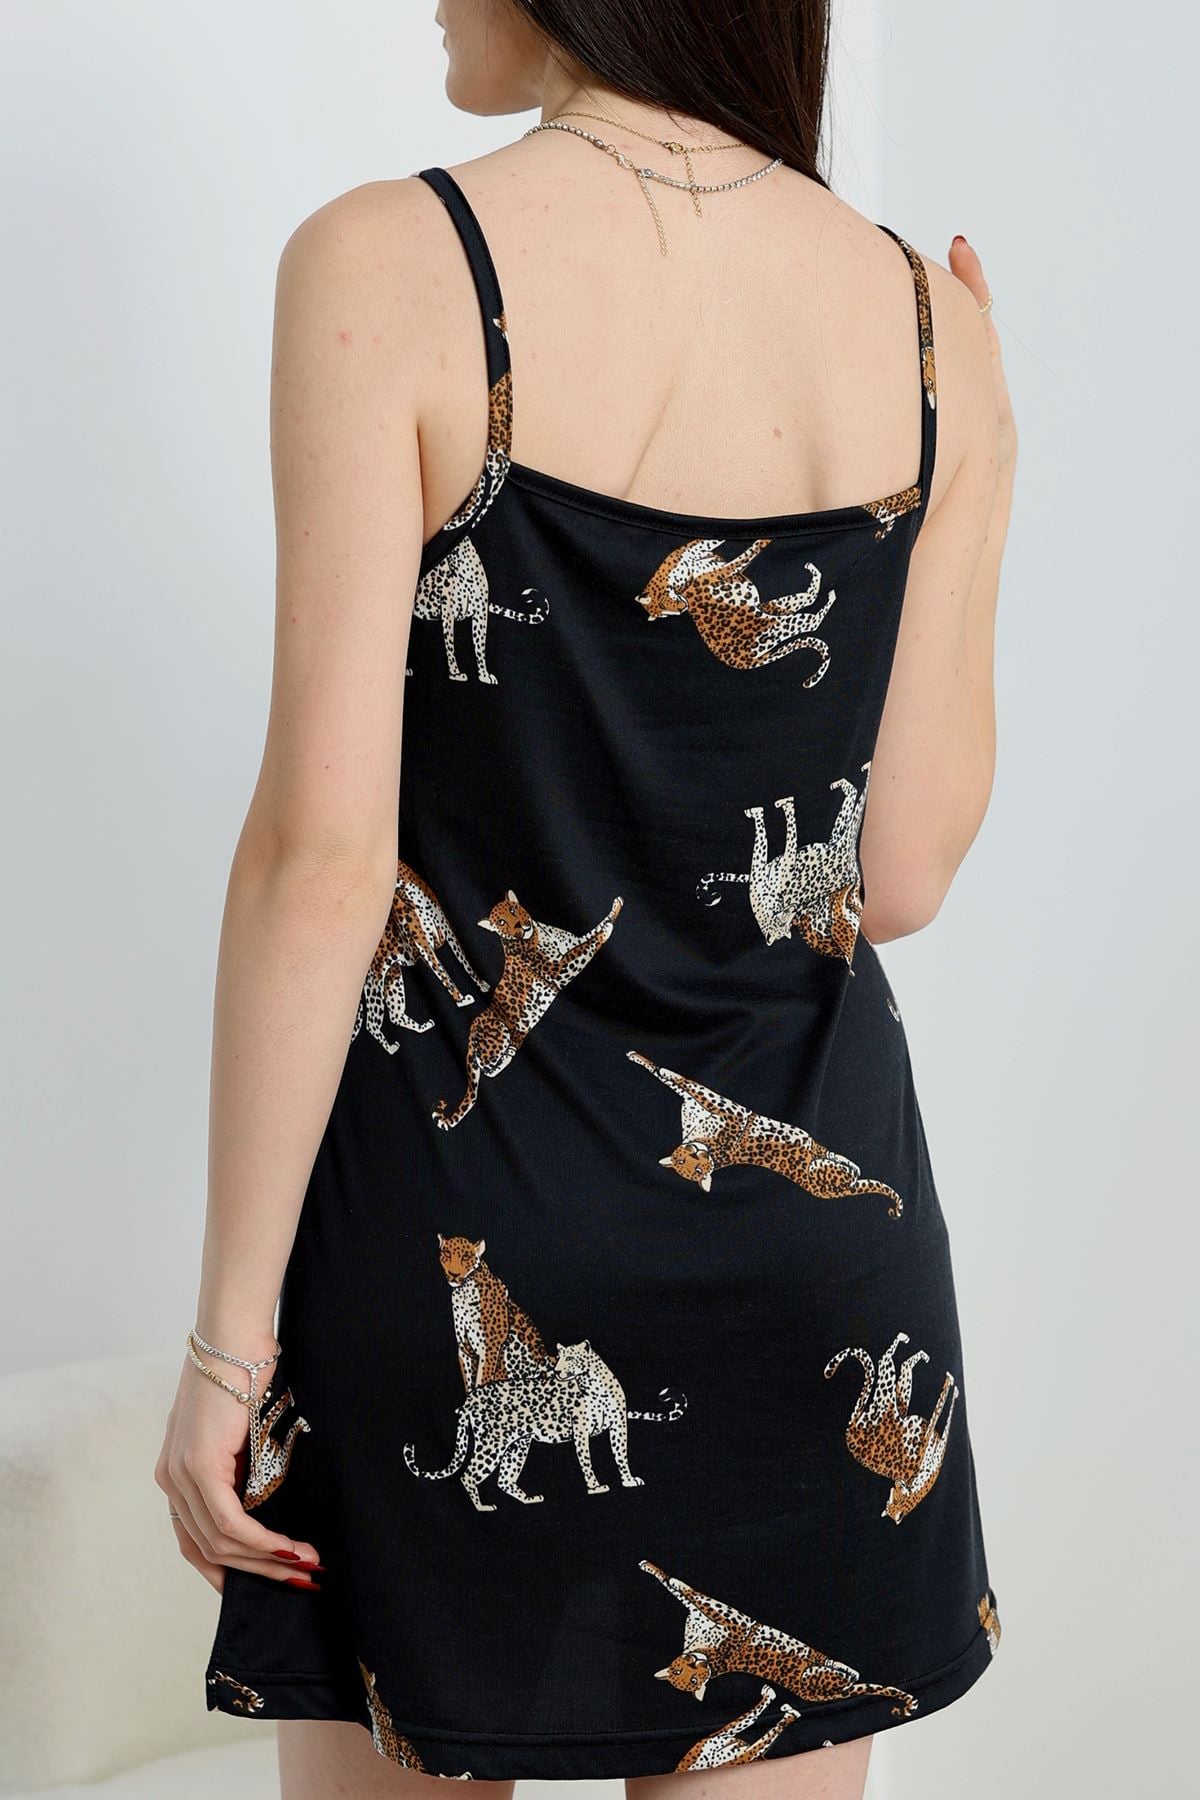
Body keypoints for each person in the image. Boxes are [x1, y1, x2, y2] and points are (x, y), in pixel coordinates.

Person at [155, 2, 1016, 1795]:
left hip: (455, 1231)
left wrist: (230, 1345)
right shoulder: (929, 329)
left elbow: (322, 857)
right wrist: (984, 451)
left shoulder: (390, 264)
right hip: (800, 1270)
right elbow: (900, 874)